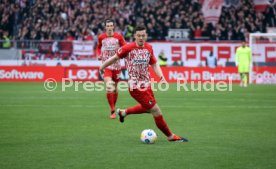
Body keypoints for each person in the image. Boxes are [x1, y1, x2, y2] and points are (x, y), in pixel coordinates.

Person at [99, 25, 188, 142]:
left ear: (146, 36)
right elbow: (114, 58)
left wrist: (161, 77)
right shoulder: (128, 48)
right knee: (156, 110)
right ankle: (170, 136)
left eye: (143, 35)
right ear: (135, 36)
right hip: (136, 87)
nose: (141, 38)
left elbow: (154, 64)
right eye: (139, 35)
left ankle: (123, 112)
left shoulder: (149, 48)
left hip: (147, 85)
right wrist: (102, 66)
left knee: (148, 109)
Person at [97, 19, 126, 119]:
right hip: (106, 66)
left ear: (113, 27)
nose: (109, 27)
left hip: (117, 66)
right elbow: (98, 47)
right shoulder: (101, 37)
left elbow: (125, 47)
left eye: (111, 25)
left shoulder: (119, 37)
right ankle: (113, 109)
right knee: (110, 86)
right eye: (107, 26)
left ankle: (113, 107)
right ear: (105, 27)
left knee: (115, 88)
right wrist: (99, 55)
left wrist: (123, 54)